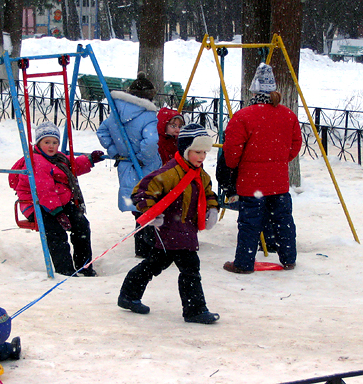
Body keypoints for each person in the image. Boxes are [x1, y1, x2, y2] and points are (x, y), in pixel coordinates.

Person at [117, 123, 220, 324]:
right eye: (196, 151)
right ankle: (194, 309)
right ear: (185, 150)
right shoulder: (169, 172)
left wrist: (213, 209)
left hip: (185, 229)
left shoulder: (201, 174)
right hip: (168, 228)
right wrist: (150, 211)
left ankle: (128, 295)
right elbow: (141, 191)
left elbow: (208, 193)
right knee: (190, 268)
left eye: (204, 152)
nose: (201, 157)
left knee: (154, 264)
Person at [222, 63, 302, 274]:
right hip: (279, 181)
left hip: (251, 183)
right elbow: (295, 146)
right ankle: (289, 258)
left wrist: (235, 166)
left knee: (249, 223)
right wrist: (280, 161)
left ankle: (244, 263)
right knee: (283, 220)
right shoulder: (288, 115)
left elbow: (232, 151)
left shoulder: (243, 116)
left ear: (254, 91)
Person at [9, 121, 104, 277]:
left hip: (59, 202)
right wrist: (58, 213)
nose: (51, 146)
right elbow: (44, 190)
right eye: (47, 142)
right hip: (36, 204)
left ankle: (84, 265)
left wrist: (90, 160)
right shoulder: (36, 161)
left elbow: (73, 165)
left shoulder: (58, 158)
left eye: (55, 142)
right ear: (39, 143)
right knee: (56, 233)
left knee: (82, 226)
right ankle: (65, 270)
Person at [96, 72, 162, 259]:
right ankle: (149, 249)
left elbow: (102, 132)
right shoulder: (147, 115)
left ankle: (141, 248)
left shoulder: (116, 112)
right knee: (150, 205)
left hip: (126, 165)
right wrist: (143, 157)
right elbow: (150, 141)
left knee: (137, 204)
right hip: (145, 165)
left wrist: (114, 151)